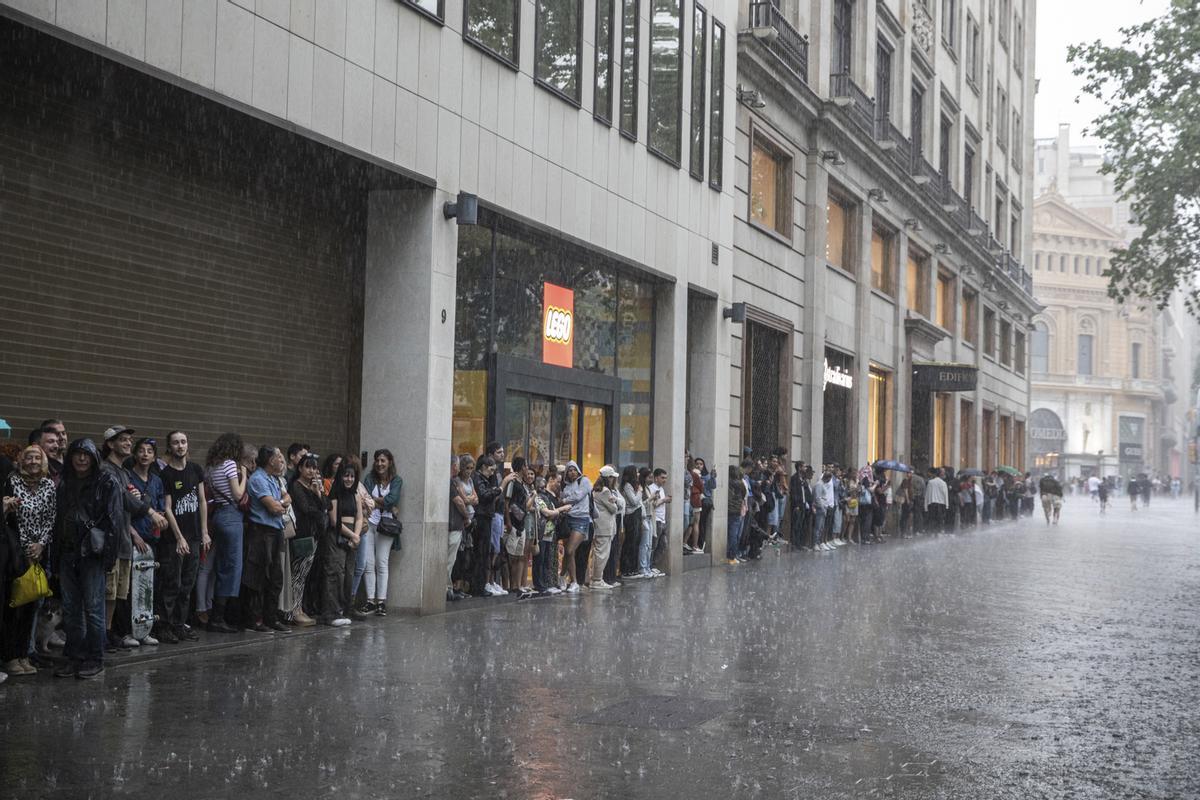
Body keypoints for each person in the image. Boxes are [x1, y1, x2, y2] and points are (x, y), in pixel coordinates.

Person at [54, 439, 124, 679]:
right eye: (77, 454)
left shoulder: (107, 482)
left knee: (94, 609)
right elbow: (58, 520)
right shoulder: (64, 482)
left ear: (94, 457)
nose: (81, 459)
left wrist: (109, 557)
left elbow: (115, 522)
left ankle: (96, 656)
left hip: (93, 554)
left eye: (86, 454)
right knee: (71, 610)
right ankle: (74, 655)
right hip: (67, 552)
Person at [101, 426, 161, 650]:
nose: (128, 443)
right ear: (110, 444)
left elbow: (129, 502)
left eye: (129, 440)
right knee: (107, 593)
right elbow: (123, 498)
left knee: (117, 594)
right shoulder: (105, 470)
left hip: (123, 543)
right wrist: (150, 511)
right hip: (111, 542)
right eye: (123, 440)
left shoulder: (123, 473)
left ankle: (107, 634)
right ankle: (102, 635)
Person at [2, 446, 56, 675]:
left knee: (32, 605)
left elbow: (51, 517)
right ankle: (10, 657)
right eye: (29, 457)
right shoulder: (12, 482)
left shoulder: (49, 485)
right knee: (14, 607)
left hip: (39, 552)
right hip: (17, 553)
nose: (33, 461)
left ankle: (24, 654)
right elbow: (13, 520)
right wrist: (26, 548)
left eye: (37, 457)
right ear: (21, 461)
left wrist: (41, 545)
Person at [159, 430, 207, 642]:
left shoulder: (196, 469)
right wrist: (179, 537)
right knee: (172, 584)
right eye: (176, 443)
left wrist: (205, 532)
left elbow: (203, 501)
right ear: (170, 447)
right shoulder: (166, 475)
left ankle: (180, 624)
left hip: (195, 536)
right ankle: (165, 626)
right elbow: (167, 508)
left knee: (187, 585)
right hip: (174, 540)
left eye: (184, 442)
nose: (180, 446)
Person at [203, 433, 249, 634]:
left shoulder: (212, 467)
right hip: (232, 516)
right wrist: (244, 476)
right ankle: (219, 618)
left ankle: (217, 614)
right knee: (232, 569)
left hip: (219, 516)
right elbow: (238, 495)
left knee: (221, 567)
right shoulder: (230, 464)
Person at [242, 447, 290, 633]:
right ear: (270, 460)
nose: (281, 460)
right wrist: (281, 504)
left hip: (276, 531)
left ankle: (271, 618)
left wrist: (282, 503)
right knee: (258, 576)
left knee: (275, 577)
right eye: (278, 456)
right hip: (261, 532)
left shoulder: (274, 479)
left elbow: (287, 498)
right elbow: (273, 507)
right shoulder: (258, 479)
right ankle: (254, 620)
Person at [127, 438, 166, 646]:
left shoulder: (156, 481)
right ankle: (128, 631)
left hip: (152, 538)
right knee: (130, 587)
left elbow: (160, 507)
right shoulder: (128, 477)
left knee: (149, 586)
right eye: (141, 450)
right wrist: (135, 535)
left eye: (149, 451)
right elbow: (123, 511)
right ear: (135, 454)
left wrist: (160, 517)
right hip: (134, 537)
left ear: (154, 456)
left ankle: (145, 629)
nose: (144, 454)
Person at [359, 448, 403, 615]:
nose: (379, 464)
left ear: (389, 462)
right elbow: (365, 498)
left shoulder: (397, 480)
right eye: (377, 460)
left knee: (381, 562)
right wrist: (387, 504)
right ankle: (370, 600)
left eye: (383, 460)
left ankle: (381, 602)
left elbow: (394, 498)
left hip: (387, 525)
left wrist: (377, 501)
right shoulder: (369, 478)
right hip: (368, 523)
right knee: (368, 563)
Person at [288, 453, 327, 626]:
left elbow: (326, 506)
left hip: (313, 535)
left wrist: (318, 493)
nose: (312, 471)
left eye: (314, 467)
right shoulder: (296, 486)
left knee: (304, 574)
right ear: (300, 468)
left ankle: (299, 608)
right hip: (301, 535)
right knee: (298, 574)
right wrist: (318, 508)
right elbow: (306, 509)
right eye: (308, 466)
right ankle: (294, 611)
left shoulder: (313, 487)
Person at [329, 462, 363, 620]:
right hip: (338, 535)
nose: (349, 479)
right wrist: (353, 535)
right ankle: (334, 610)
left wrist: (356, 535)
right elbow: (335, 521)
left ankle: (348, 607)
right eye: (346, 475)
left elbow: (360, 517)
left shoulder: (356, 494)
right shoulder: (335, 493)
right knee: (337, 572)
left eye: (352, 476)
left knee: (350, 573)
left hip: (353, 536)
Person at [558, 460, 592, 594]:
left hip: (581, 519)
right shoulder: (565, 485)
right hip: (568, 519)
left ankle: (574, 582)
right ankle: (562, 577)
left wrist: (565, 500)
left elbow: (579, 496)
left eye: (574, 469)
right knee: (567, 552)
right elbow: (562, 496)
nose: (572, 472)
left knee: (570, 550)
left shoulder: (584, 481)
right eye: (569, 470)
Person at [472, 456, 503, 597]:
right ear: (483, 466)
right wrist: (499, 489)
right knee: (480, 553)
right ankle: (477, 585)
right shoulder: (478, 478)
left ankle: (480, 584)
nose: (492, 473)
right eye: (490, 470)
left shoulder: (485, 479)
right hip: (481, 517)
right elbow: (484, 495)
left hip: (487, 516)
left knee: (485, 552)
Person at [501, 457, 531, 595]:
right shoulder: (513, 482)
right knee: (511, 555)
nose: (527, 469)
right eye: (525, 466)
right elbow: (507, 502)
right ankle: (510, 585)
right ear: (521, 467)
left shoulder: (523, 484)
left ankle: (517, 585)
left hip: (522, 523)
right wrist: (508, 521)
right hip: (513, 522)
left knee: (520, 555)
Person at [449, 455, 478, 601]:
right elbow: (463, 501)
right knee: (455, 557)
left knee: (464, 555)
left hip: (466, 523)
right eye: (465, 467)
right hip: (459, 522)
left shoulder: (471, 480)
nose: (468, 471)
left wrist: (470, 500)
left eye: (471, 468)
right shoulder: (454, 481)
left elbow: (475, 498)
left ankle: (458, 587)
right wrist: (467, 514)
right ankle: (451, 587)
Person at [588, 465, 621, 589]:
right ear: (609, 478)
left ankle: (596, 578)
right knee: (602, 554)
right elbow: (614, 509)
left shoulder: (596, 489)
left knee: (598, 553)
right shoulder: (606, 491)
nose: (614, 480)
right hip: (605, 527)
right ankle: (597, 579)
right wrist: (616, 502)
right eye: (613, 477)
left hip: (600, 526)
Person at [619, 465, 644, 577]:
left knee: (635, 542)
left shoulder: (633, 486)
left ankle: (633, 569)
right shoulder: (627, 486)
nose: (638, 474)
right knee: (630, 542)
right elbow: (634, 501)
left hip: (636, 515)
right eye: (636, 472)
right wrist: (639, 491)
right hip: (631, 515)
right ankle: (626, 569)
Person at [648, 468, 672, 566]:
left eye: (666, 478)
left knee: (663, 545)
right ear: (656, 478)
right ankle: (649, 566)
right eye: (662, 478)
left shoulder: (661, 489)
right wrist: (664, 500)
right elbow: (652, 504)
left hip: (662, 520)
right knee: (654, 544)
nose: (664, 480)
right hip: (655, 520)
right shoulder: (651, 488)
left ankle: (653, 564)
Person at [726, 463, 747, 565]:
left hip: (727, 509)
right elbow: (743, 495)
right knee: (734, 534)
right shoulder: (741, 483)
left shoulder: (727, 483)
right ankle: (732, 556)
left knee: (730, 534)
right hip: (736, 510)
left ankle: (729, 554)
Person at [925, 468, 949, 533]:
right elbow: (945, 495)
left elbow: (927, 494)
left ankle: (932, 532)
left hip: (932, 503)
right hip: (941, 504)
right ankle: (938, 532)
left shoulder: (930, 482)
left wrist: (926, 506)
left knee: (932, 519)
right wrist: (947, 506)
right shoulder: (943, 483)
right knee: (940, 519)